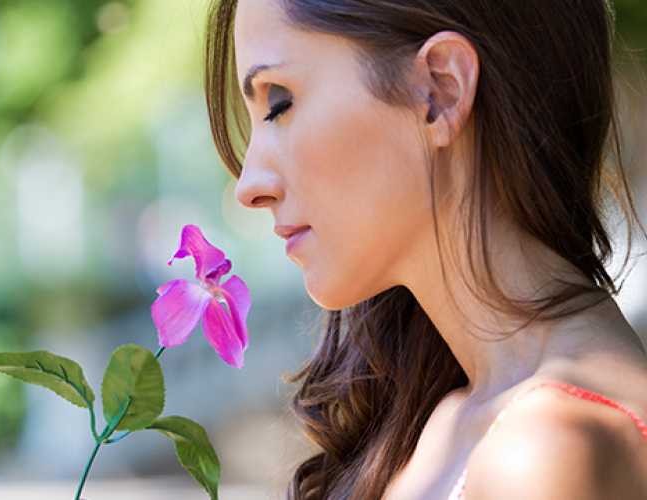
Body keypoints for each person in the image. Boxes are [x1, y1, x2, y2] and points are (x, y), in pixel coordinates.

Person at [204, 0, 647, 498]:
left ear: (440, 91)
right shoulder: (452, 416)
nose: (249, 186)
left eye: (279, 103)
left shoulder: (545, 450)